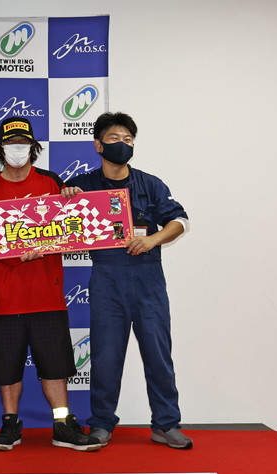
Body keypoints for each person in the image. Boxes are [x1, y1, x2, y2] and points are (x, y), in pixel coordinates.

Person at [62, 112, 191, 449]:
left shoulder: (150, 184)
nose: (122, 144)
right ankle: (101, 424)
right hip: (107, 279)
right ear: (98, 145)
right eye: (114, 138)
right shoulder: (82, 186)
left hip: (148, 278)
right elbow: (56, 225)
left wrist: (153, 240)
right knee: (105, 357)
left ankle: (166, 424)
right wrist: (67, 198)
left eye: (128, 139)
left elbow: (180, 221)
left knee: (158, 354)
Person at [0, 117, 101, 452]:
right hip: (6, 298)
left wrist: (72, 199)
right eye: (10, 143)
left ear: (33, 147)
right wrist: (16, 256)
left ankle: (62, 424)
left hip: (48, 295)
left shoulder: (52, 182)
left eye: (23, 142)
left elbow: (71, 227)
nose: (16, 149)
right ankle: (10, 424)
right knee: (8, 368)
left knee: (55, 366)